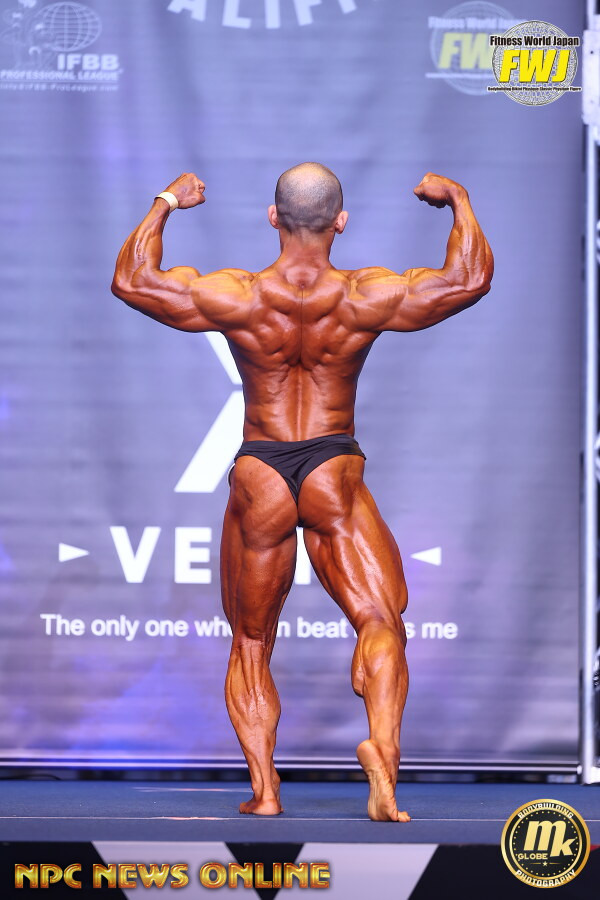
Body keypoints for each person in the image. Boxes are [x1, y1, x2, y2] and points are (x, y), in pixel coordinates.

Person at [112, 163, 493, 822]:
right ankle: (383, 755)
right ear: (340, 222)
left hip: (261, 467)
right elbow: (468, 278)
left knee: (251, 641)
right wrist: (458, 199)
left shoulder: (238, 294)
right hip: (330, 465)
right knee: (380, 620)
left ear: (273, 217)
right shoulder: (365, 295)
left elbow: (132, 280)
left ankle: (265, 793)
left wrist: (167, 201)